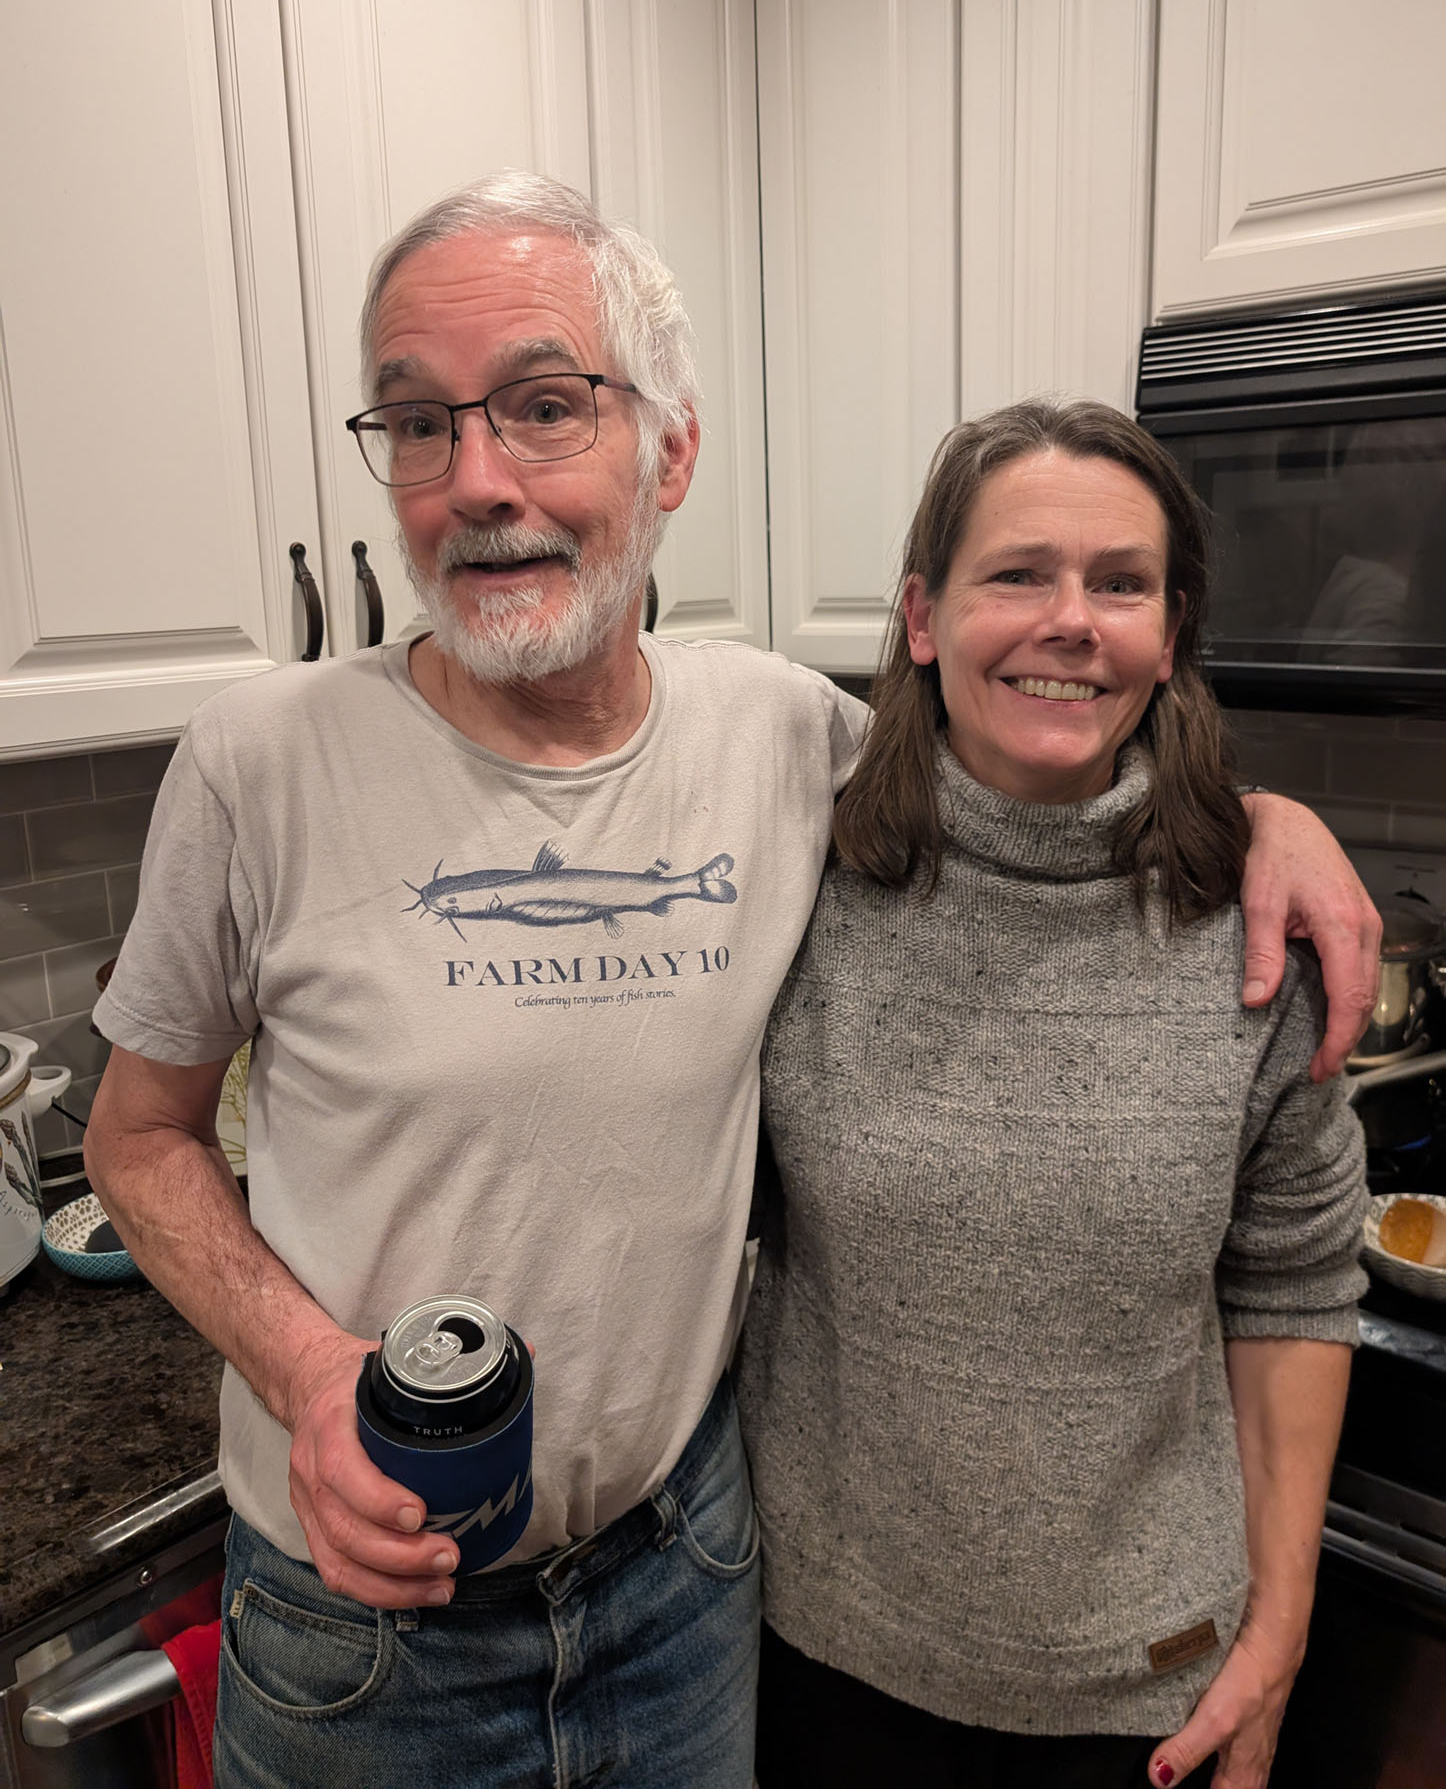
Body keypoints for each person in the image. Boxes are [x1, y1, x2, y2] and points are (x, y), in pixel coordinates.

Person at [84, 176, 1375, 1789]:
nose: (476, 482)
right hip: (367, 1632)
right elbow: (136, 1138)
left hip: (685, 1592)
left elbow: (1039, 755)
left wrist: (1257, 821)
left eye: (544, 407)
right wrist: (305, 1370)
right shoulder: (256, 762)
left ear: (670, 452)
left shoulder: (779, 741)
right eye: (418, 425)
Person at [736, 398, 1369, 1789]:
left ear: (1170, 630)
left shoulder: (1259, 936)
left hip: (1147, 1682)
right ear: (922, 616)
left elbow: (1296, 1285)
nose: (1070, 621)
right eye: (1017, 573)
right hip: (818, 1652)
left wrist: (1278, 1632)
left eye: (1120, 583)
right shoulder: (795, 882)